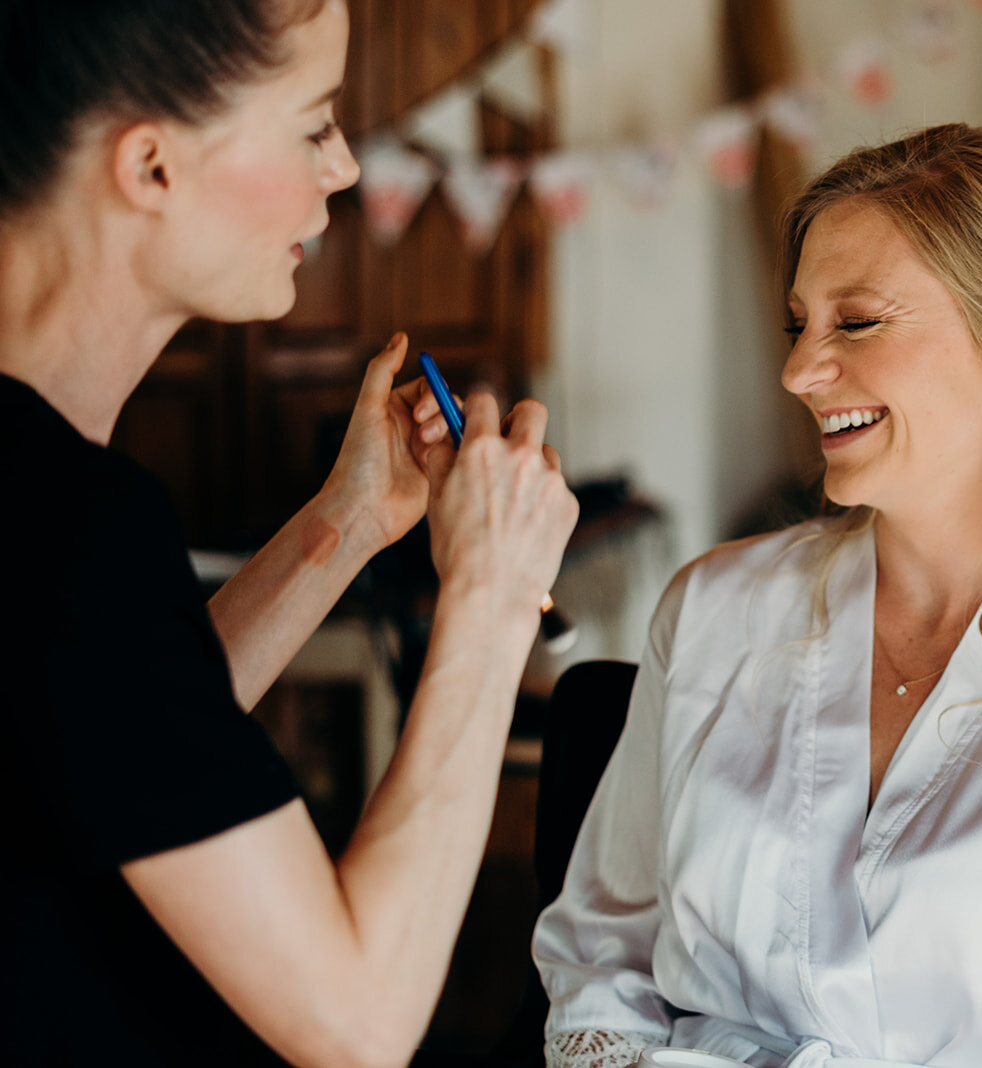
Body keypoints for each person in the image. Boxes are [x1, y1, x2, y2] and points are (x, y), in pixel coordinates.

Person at [532, 124, 982, 1068]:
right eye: (800, 324)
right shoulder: (710, 614)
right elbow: (602, 958)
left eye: (858, 321)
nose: (799, 372)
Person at [0, 2, 577, 1065]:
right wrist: (492, 596)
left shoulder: (49, 510)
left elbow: (118, 731)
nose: (349, 167)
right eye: (313, 123)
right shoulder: (60, 522)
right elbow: (356, 1024)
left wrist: (343, 526)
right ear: (153, 166)